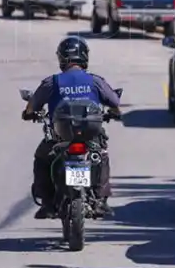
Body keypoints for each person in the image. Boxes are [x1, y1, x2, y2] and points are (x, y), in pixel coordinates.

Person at [22, 37, 121, 219]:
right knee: (102, 155)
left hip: (60, 136)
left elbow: (33, 105)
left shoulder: (52, 82)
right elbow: (114, 101)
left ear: (61, 58)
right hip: (91, 135)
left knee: (42, 158)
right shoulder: (94, 81)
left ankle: (47, 203)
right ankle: (100, 200)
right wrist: (114, 112)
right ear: (84, 57)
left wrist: (28, 113)